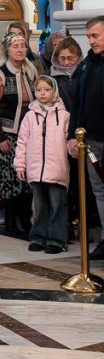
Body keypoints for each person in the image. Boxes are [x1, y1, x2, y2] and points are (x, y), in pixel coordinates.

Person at [0, 32, 36, 233]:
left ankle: (26, 220)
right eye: (15, 46)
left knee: (27, 180)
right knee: (11, 181)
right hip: (8, 135)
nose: (20, 50)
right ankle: (11, 222)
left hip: (29, 135)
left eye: (23, 46)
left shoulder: (30, 71)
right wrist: (1, 138)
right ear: (7, 50)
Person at [15, 76, 69, 254]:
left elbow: (69, 140)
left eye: (47, 90)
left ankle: (57, 240)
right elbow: (22, 142)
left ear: (55, 91)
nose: (42, 93)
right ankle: (38, 237)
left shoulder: (64, 116)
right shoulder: (30, 116)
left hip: (57, 170)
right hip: (36, 170)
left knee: (57, 206)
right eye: (39, 90)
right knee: (40, 207)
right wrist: (20, 165)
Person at [66, 15, 104, 260]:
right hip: (91, 141)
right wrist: (73, 135)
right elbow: (78, 104)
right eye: (89, 36)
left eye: (96, 36)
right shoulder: (88, 65)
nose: (91, 41)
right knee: (99, 191)